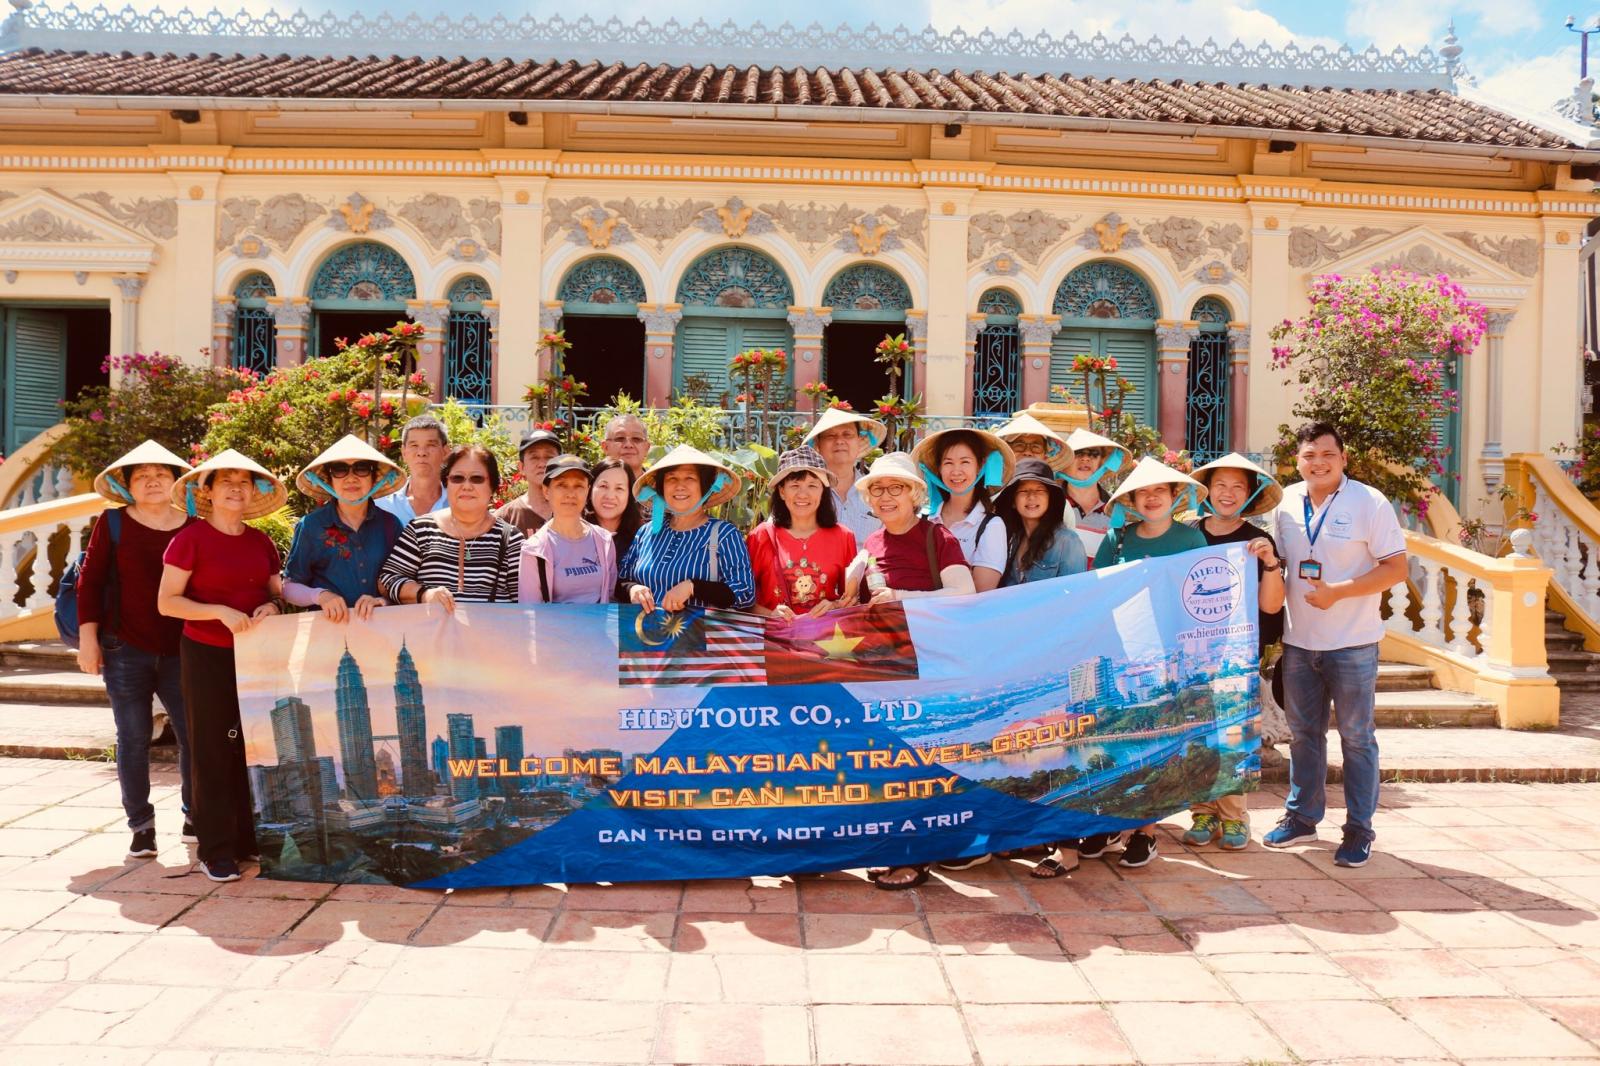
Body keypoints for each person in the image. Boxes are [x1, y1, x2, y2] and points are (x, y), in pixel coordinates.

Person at [1266, 422, 1407, 868]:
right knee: (1303, 736)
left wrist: (1339, 592)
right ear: (1297, 462)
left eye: (1328, 454)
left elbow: (1396, 568)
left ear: (1343, 459)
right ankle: (1302, 817)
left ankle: (1359, 830)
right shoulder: (1285, 502)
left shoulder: (1370, 502)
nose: (1318, 463)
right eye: (1309, 455)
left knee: (1357, 738)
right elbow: (1278, 563)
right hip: (1299, 642)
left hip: (1353, 643)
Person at [157, 450, 288, 883]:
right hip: (206, 653)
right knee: (211, 748)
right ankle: (215, 850)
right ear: (208, 492)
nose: (235, 488)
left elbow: (275, 592)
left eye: (243, 481)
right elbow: (167, 602)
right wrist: (218, 612)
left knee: (251, 746)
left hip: (255, 655)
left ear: (253, 491)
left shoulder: (261, 542)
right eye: (225, 481)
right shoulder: (190, 540)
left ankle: (247, 840)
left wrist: (272, 606)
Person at [854, 451, 974, 892]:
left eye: (896, 488)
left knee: (922, 759)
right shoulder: (871, 543)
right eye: (877, 489)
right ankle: (897, 847)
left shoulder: (937, 537)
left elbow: (963, 593)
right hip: (884, 665)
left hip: (928, 663)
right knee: (891, 759)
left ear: (915, 494)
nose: (886, 497)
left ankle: (918, 857)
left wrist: (902, 597)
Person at [76, 441, 197, 859]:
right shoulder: (112, 523)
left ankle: (194, 814)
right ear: (127, 485)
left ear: (176, 481)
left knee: (193, 736)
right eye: (141, 475)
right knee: (132, 738)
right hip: (124, 647)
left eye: (161, 474)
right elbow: (90, 583)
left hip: (184, 648)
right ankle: (141, 826)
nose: (152, 481)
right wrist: (88, 640)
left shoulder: (193, 525)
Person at [1090, 456, 1209, 869]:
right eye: (1144, 492)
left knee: (1159, 749)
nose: (1152, 498)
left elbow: (1202, 595)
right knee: (1118, 743)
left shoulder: (1191, 540)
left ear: (1175, 496)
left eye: (1161, 490)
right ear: (1132, 500)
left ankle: (1146, 832)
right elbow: (1097, 593)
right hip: (1123, 653)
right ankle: (1112, 824)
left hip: (1171, 655)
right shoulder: (1117, 540)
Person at [1184, 453, 1287, 852]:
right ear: (1207, 491)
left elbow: (1271, 606)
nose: (1228, 494)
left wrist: (1270, 564)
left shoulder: (1257, 541)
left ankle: (1233, 817)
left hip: (1236, 652)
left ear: (1250, 494)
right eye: (1220, 485)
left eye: (1238, 487)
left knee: (1233, 734)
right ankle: (1202, 812)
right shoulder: (1188, 536)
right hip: (1192, 652)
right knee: (1197, 734)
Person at [379, 444, 523, 610]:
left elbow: (526, 602)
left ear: (493, 486)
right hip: (432, 628)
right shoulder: (421, 530)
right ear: (446, 483)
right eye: (457, 478)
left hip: (493, 627)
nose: (466, 486)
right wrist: (423, 594)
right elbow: (387, 579)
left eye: (477, 478)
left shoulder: (510, 539)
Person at [617, 445, 755, 612]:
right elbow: (621, 580)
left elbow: (745, 594)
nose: (679, 486)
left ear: (705, 486)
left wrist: (694, 587)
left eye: (690, 478)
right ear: (661, 487)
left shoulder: (724, 534)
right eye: (671, 478)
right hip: (644, 628)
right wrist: (632, 589)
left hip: (698, 629)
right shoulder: (646, 532)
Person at [281, 435, 403, 623]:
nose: (351, 478)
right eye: (339, 470)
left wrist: (383, 601)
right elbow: (289, 588)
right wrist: (320, 596)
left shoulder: (390, 524)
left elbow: (404, 581)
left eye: (361, 468)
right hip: (329, 631)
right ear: (328, 480)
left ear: (374, 478)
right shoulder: (310, 526)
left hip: (382, 628)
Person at [746, 446, 859, 619]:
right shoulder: (761, 536)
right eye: (795, 485)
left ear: (823, 491)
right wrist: (770, 615)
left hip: (826, 634)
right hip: (774, 635)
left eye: (812, 485)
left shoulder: (844, 537)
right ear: (782, 492)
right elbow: (743, 602)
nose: (803, 494)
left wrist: (834, 605)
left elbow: (852, 601)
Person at [911, 427, 1014, 593]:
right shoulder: (923, 518)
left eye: (965, 462)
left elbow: (981, 589)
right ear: (939, 469)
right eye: (948, 463)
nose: (956, 471)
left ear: (980, 466)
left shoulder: (991, 526)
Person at [519, 455, 617, 604]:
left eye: (578, 486)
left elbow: (610, 596)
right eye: (562, 485)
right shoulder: (534, 550)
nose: (571, 494)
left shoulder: (604, 541)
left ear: (588, 491)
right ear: (546, 491)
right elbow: (530, 611)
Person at [994, 458, 1087, 587]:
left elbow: (1076, 593)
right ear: (1013, 502)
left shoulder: (1067, 541)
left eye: (1039, 490)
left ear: (1050, 499)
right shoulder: (1012, 541)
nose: (1031, 497)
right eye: (1023, 491)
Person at [803, 406, 886, 544]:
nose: (839, 441)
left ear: (859, 441)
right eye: (831, 436)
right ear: (818, 444)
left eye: (847, 434)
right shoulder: (802, 493)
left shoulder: (877, 492)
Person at [1062, 428, 1130, 562]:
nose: (1085, 458)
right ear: (1064, 462)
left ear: (1102, 463)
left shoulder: (1118, 510)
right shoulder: (1049, 503)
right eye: (1078, 453)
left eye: (1093, 454)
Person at [375, 414, 450, 526]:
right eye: (414, 445)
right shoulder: (381, 508)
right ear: (404, 453)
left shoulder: (458, 504)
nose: (422, 452)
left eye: (431, 445)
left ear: (445, 452)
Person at [496, 428, 560, 535]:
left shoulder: (577, 513)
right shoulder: (504, 518)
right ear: (521, 467)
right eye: (534, 457)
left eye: (549, 457)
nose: (542, 464)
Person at [585, 457, 642, 561]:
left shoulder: (642, 538)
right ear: (589, 489)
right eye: (603, 486)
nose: (610, 496)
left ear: (630, 495)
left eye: (619, 488)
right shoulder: (572, 534)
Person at [601, 413, 651, 481]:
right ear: (605, 447)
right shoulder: (591, 485)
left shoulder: (660, 486)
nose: (628, 445)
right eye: (620, 438)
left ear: (647, 448)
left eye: (636, 438)